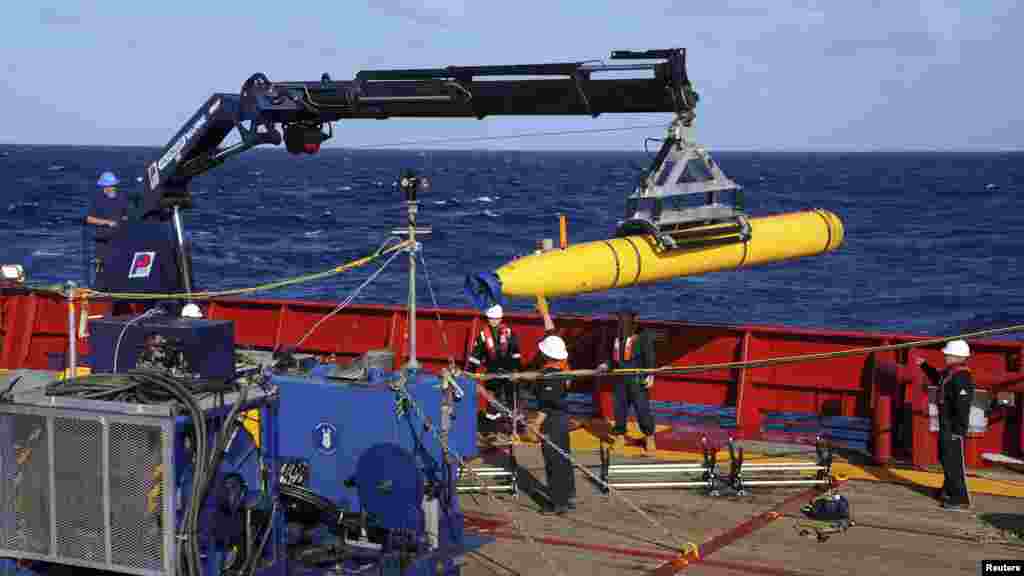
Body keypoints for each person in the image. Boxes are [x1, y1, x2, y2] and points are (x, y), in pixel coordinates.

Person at [916, 339, 974, 510]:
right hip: (946, 423)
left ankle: (960, 497)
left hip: (953, 427)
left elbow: (963, 406)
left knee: (954, 461)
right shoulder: (950, 373)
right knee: (945, 457)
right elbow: (938, 379)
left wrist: (959, 430)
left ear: (957, 356)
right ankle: (948, 489)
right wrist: (925, 366)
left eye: (948, 354)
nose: (945, 356)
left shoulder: (962, 377)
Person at [599, 310, 657, 453]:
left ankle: (649, 436)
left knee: (642, 409)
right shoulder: (615, 337)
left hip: (637, 379)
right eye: (620, 323)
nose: (622, 327)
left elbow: (649, 357)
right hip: (620, 379)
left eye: (624, 323)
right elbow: (611, 357)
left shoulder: (643, 337)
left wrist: (650, 375)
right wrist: (606, 364)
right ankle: (620, 436)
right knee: (619, 410)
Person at [467, 304, 522, 424]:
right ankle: (491, 425)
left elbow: (516, 354)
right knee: (492, 400)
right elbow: (475, 357)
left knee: (512, 399)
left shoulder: (509, 333)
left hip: (509, 372)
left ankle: (512, 426)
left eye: (496, 318)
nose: (493, 321)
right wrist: (470, 373)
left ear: (501, 319)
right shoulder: (482, 336)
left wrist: (517, 371)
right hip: (492, 372)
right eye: (491, 318)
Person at [85, 171, 129, 274]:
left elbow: (125, 215)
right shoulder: (98, 200)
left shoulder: (121, 198)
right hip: (103, 240)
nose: (113, 188)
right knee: (101, 268)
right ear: (104, 186)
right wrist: (108, 223)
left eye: (114, 185)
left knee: (119, 266)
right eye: (110, 185)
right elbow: (89, 219)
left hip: (119, 239)